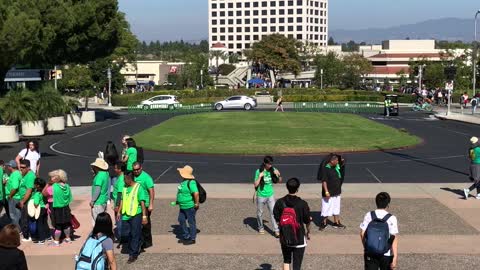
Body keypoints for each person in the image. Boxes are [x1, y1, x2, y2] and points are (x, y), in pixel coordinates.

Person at [273, 178, 312, 270]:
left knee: (286, 260)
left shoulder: (279, 202)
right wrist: (308, 232)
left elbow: (277, 218)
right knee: (297, 265)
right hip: (299, 238)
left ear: (287, 188)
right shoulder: (303, 204)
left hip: (285, 237)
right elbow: (307, 221)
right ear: (297, 189)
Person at [360, 192, 399, 270]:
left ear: (376, 202)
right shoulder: (392, 218)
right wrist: (395, 257)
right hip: (386, 253)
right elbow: (393, 237)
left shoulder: (369, 215)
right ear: (388, 204)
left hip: (370, 252)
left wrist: (367, 246)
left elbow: (362, 233)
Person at [118, 171, 148, 264]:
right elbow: (122, 200)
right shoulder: (125, 188)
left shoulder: (139, 188)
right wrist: (119, 212)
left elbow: (142, 203)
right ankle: (140, 241)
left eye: (125, 179)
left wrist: (144, 216)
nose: (123, 180)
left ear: (129, 179)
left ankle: (133, 254)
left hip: (136, 214)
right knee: (127, 233)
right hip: (126, 214)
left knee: (134, 234)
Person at [43, 169, 73, 246]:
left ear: (57, 178)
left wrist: (48, 184)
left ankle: (56, 241)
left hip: (55, 207)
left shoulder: (53, 187)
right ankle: (68, 238)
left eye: (52, 177)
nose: (51, 178)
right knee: (66, 224)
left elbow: (44, 193)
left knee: (57, 226)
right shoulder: (66, 186)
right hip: (65, 207)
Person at [254, 156, 281, 237]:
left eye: (271, 164)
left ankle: (276, 230)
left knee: (273, 213)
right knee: (260, 213)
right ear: (265, 163)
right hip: (261, 195)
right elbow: (255, 184)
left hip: (270, 195)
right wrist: (260, 176)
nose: (270, 165)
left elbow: (279, 181)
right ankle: (261, 227)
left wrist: (278, 174)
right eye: (269, 164)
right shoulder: (258, 171)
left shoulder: (273, 170)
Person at [318, 154, 346, 230]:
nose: (337, 162)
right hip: (329, 193)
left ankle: (336, 222)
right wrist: (326, 192)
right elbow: (324, 181)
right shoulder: (326, 169)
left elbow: (342, 167)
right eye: (336, 160)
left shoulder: (336, 167)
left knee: (336, 208)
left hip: (337, 192)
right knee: (326, 208)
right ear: (332, 161)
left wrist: (341, 161)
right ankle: (324, 222)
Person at [175, 165, 199, 245]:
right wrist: (178, 200)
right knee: (181, 220)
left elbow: (196, 193)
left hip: (189, 206)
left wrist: (196, 203)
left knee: (191, 222)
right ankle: (186, 235)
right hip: (182, 206)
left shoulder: (191, 182)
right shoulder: (184, 181)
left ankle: (192, 238)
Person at [132, 162, 154, 249]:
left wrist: (151, 204)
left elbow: (151, 191)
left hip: (145, 204)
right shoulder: (132, 176)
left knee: (145, 225)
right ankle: (140, 241)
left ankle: (147, 242)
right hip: (136, 204)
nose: (136, 171)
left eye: (137, 169)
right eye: (134, 170)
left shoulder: (146, 177)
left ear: (141, 168)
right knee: (137, 224)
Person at [18, 160, 36, 241]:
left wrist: (23, 201)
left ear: (28, 168)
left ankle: (26, 236)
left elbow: (29, 191)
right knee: (26, 219)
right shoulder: (25, 174)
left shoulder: (30, 176)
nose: (21, 169)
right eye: (20, 167)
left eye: (23, 167)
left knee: (25, 219)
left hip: (27, 201)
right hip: (24, 200)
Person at [90, 158, 109, 224]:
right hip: (103, 200)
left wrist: (93, 201)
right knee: (103, 220)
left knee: (97, 221)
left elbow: (98, 189)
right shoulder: (106, 174)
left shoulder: (99, 176)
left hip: (98, 202)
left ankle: (98, 234)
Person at [30, 178, 49, 244]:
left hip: (39, 210)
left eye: (34, 184)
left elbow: (36, 203)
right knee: (44, 223)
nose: (34, 185)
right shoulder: (43, 193)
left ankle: (41, 239)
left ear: (37, 185)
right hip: (44, 209)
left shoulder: (37, 194)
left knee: (39, 224)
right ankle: (48, 236)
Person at [5, 160, 22, 226]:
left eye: (8, 166)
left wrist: (10, 195)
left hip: (14, 197)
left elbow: (15, 187)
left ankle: (17, 230)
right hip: (15, 197)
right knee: (17, 214)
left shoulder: (15, 175)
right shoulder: (15, 173)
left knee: (14, 215)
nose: (7, 167)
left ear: (11, 167)